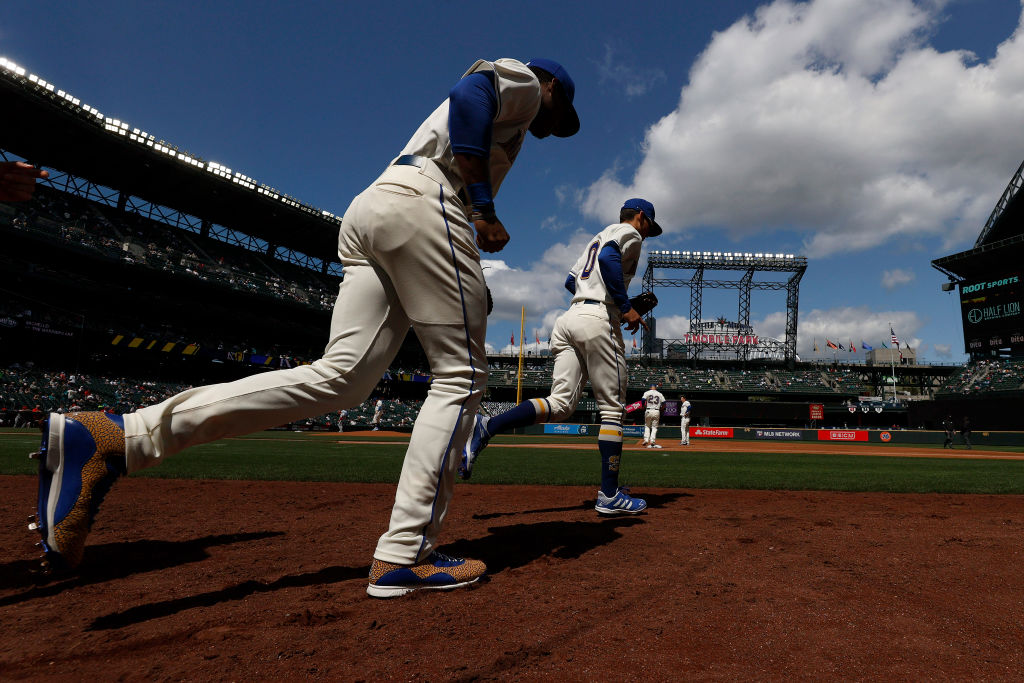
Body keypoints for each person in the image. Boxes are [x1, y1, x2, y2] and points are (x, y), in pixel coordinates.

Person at [29, 57, 581, 598]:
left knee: (342, 378)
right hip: (428, 200)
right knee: (461, 377)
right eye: (561, 113)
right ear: (552, 86)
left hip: (379, 206)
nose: (555, 126)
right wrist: (482, 208)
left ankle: (119, 436)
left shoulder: (513, 123)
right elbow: (470, 94)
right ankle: (405, 553)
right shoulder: (528, 83)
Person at [459, 198, 663, 515]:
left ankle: (487, 426)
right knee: (612, 410)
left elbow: (571, 281)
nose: (648, 232)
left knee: (561, 404)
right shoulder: (630, 233)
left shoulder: (597, 237)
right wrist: (623, 306)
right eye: (649, 224)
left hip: (570, 319)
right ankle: (609, 495)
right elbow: (608, 259)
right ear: (639, 217)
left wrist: (602, 298)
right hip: (597, 320)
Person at [641, 383, 665, 448]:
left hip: (648, 410)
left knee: (647, 426)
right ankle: (652, 441)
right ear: (655, 387)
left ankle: (646, 440)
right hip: (656, 411)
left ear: (650, 387)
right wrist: (661, 408)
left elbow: (643, 400)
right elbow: (664, 403)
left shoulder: (647, 392)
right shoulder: (660, 394)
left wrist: (643, 406)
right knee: (654, 427)